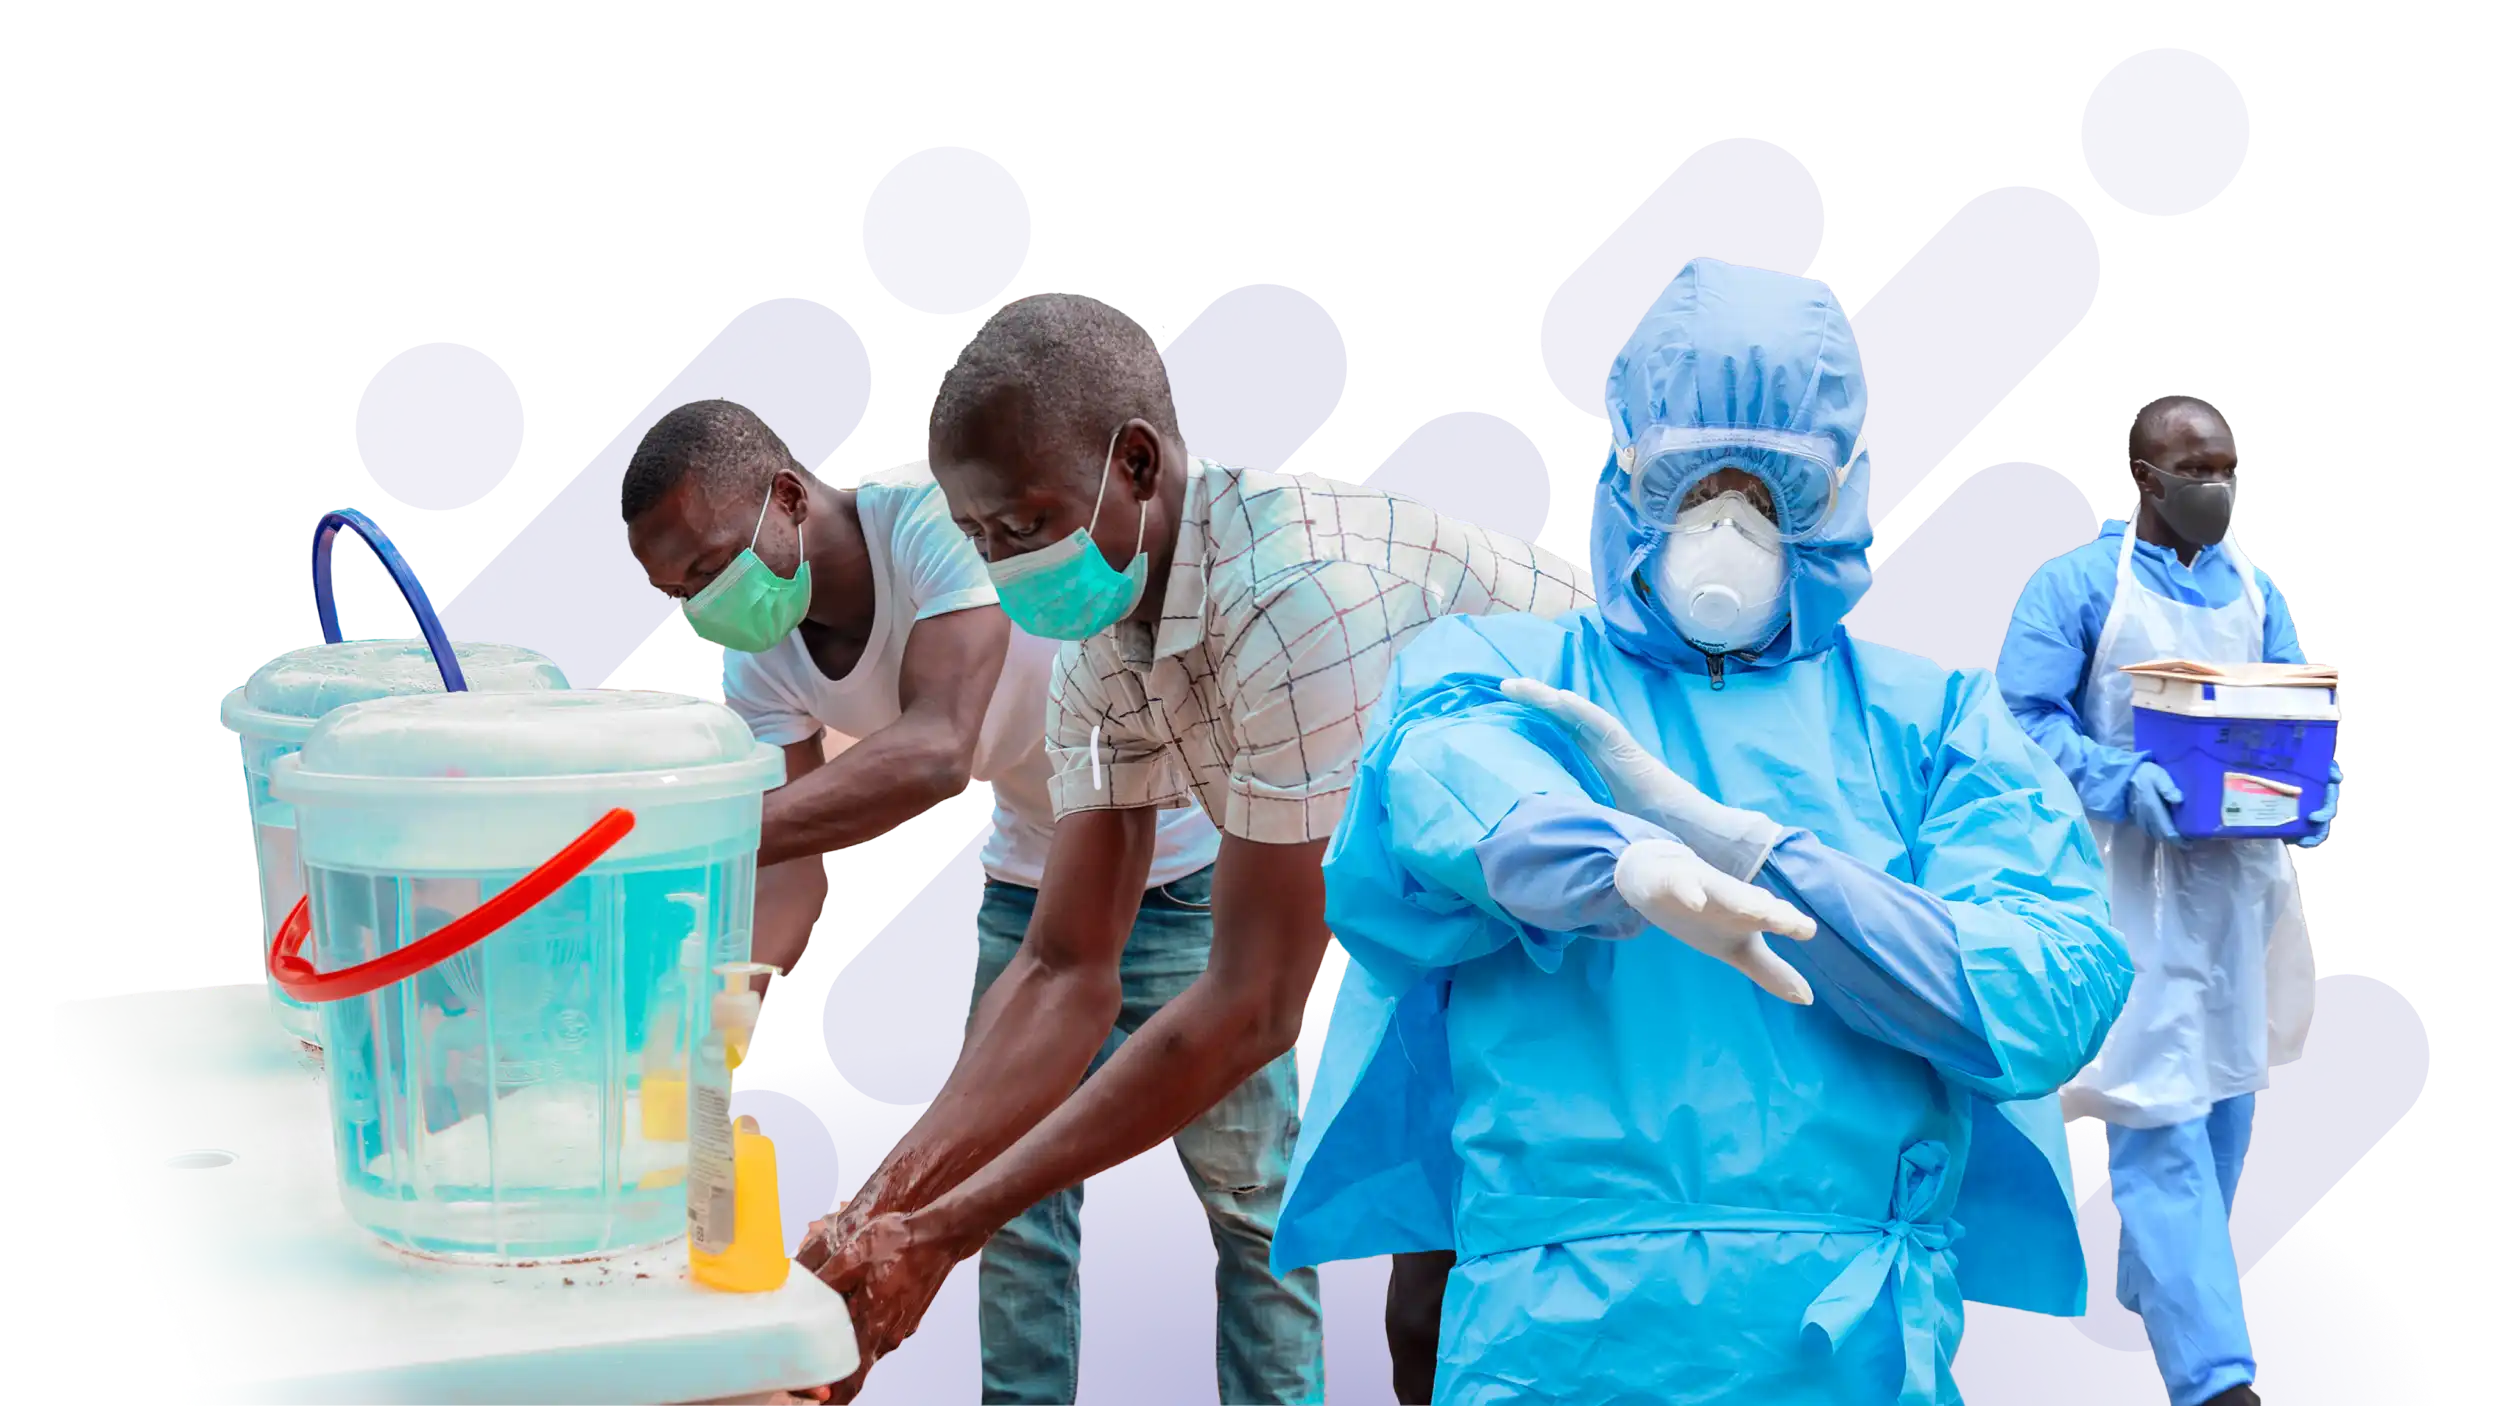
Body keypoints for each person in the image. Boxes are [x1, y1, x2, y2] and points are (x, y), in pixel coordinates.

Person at [1271, 258, 2139, 1405]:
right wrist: (1618, 863)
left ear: (1841, 492)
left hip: (1844, 1350)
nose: (1726, 526)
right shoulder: (1504, 668)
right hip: (1556, 1343)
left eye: (1774, 490)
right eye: (1690, 482)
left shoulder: (1936, 724)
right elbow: (1440, 777)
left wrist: (1764, 862)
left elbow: (2049, 982)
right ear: (1623, 466)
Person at [800, 290, 1599, 1404]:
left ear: (1135, 463)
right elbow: (1063, 970)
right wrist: (874, 1211)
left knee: (1519, 1308)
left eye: (1023, 525)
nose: (1006, 567)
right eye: (977, 539)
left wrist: (936, 1231)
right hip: (1469, 920)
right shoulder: (1101, 645)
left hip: (1615, 881)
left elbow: (1254, 1005)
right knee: (1432, 1317)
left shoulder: (1294, 597)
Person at [620, 399, 1321, 1406]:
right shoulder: (761, 655)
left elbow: (938, 747)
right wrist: (721, 1022)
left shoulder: (935, 519)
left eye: (709, 567)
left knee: (1252, 1201)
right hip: (1040, 872)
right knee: (1004, 1209)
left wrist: (698, 831)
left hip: (1186, 860)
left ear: (787, 497)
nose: (701, 606)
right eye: (679, 592)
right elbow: (791, 861)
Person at [1995, 393, 2337, 1406]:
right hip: (2128, 888)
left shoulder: (2253, 587)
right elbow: (2019, 718)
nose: (2216, 489)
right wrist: (2114, 776)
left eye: (2226, 467)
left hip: (2239, 896)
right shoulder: (2073, 587)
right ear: (2142, 478)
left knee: (2225, 1108)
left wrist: (2314, 791)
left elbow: (2295, 710)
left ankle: (2161, 1281)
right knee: (2158, 1117)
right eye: (2195, 471)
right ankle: (2215, 1379)